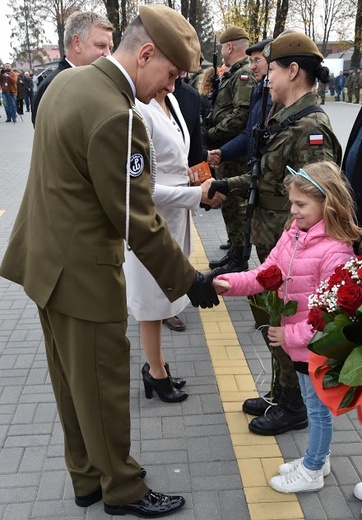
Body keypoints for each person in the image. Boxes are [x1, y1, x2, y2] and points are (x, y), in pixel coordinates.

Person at [0, 5, 219, 517]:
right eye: (169, 76)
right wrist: (190, 281)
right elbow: (137, 221)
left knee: (70, 383)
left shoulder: (65, 85)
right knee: (103, 385)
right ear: (145, 54)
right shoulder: (119, 117)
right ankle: (122, 488)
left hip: (44, 264)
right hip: (83, 275)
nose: (168, 89)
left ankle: (85, 477)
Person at [208, 32, 342, 436]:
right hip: (275, 242)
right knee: (273, 318)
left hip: (298, 254)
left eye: (274, 68)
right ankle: (279, 391)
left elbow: (321, 197)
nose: (266, 77)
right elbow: (268, 176)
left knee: (289, 319)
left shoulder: (310, 127)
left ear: (294, 70)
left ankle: (294, 404)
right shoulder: (284, 116)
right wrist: (226, 185)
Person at [213, 161, 361, 493]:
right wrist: (229, 283)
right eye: (291, 203)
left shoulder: (335, 250)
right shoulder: (293, 234)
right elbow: (265, 273)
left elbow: (331, 316)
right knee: (313, 404)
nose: (293, 211)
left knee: (317, 409)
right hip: (299, 346)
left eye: (300, 205)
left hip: (315, 347)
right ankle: (317, 459)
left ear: (327, 202)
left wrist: (289, 334)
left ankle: (312, 468)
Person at [124, 90, 223, 402]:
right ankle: (155, 373)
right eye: (171, 69)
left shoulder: (175, 101)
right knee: (151, 303)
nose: (175, 77)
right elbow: (143, 189)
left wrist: (198, 185)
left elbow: (181, 160)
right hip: (151, 224)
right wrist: (196, 195)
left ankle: (158, 367)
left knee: (163, 299)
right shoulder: (137, 109)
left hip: (176, 217)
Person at [206, 26, 256, 274]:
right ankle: (235, 249)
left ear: (229, 47)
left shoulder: (244, 74)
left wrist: (209, 135)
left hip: (235, 150)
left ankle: (240, 256)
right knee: (229, 202)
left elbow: (240, 116)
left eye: (221, 47)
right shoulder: (233, 73)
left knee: (235, 202)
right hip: (227, 147)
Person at [31, 11, 114, 125]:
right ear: (77, 43)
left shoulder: (96, 82)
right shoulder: (52, 86)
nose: (108, 54)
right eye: (101, 46)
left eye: (110, 48)